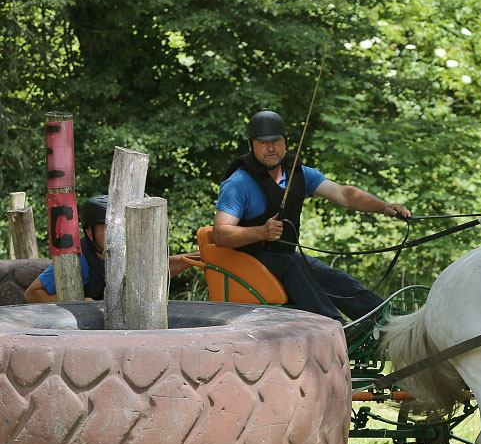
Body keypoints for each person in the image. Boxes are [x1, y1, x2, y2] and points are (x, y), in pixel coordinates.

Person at [213, 109, 411, 324]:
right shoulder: (238, 183)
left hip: (285, 258)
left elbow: (346, 195)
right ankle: (339, 329)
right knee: (295, 266)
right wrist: (261, 231)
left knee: (334, 278)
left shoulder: (300, 174)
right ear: (252, 145)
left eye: (276, 141)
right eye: (262, 143)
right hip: (248, 260)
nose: (270, 148)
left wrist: (384, 207)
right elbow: (221, 235)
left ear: (285, 142)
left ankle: (393, 323)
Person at [24, 195, 199, 303]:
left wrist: (197, 258)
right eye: (108, 228)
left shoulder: (126, 249)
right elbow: (32, 294)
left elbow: (157, 269)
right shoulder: (78, 259)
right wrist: (79, 302)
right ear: (90, 232)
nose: (117, 234)